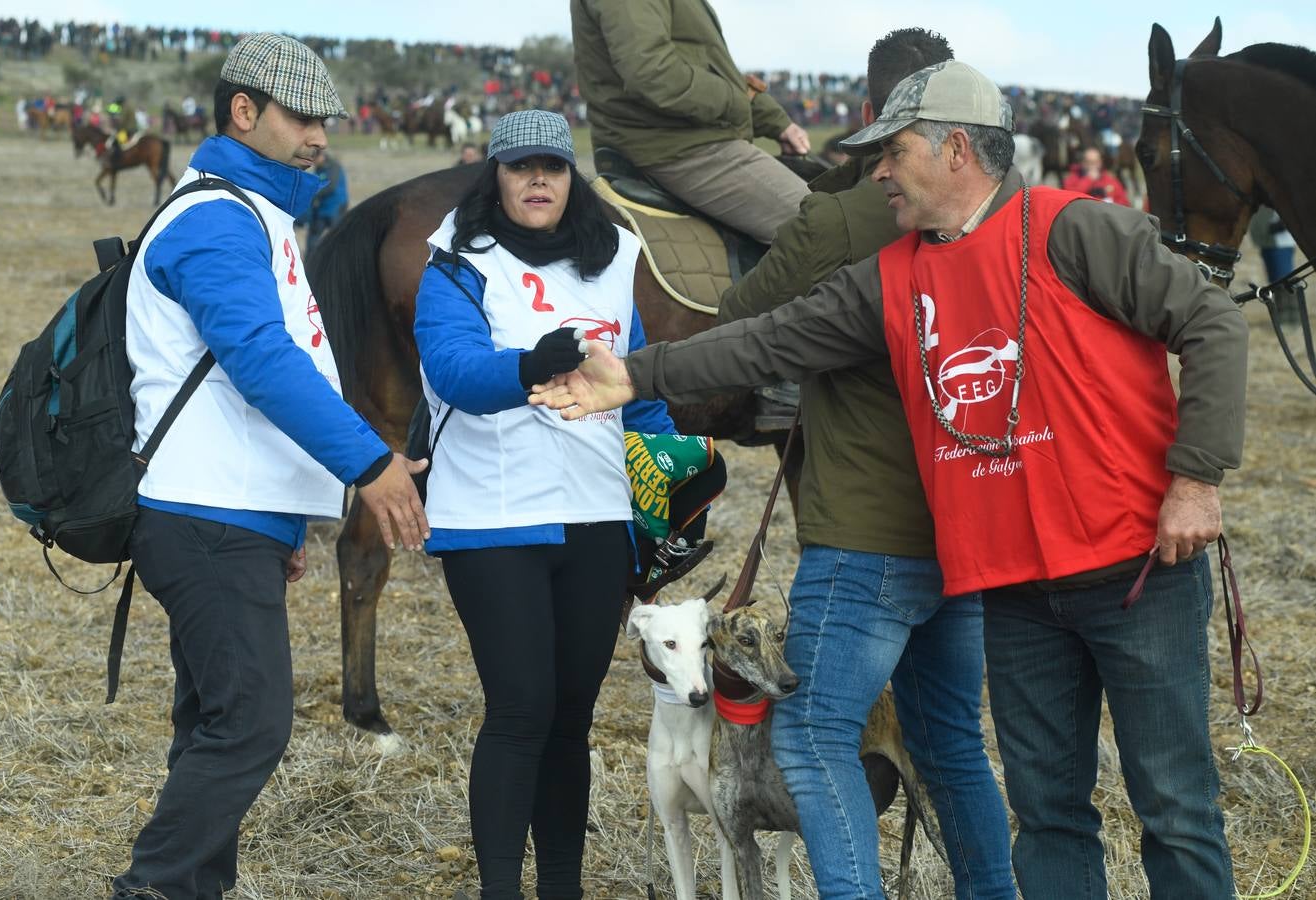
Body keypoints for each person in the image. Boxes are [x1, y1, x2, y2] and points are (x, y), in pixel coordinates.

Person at [530, 60, 1247, 900]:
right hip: (1014, 589)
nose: (874, 172)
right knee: (1048, 809)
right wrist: (636, 376)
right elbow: (767, 340)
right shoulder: (893, 276)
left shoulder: (1073, 230)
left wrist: (1194, 480)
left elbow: (1212, 323)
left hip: (1136, 571)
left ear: (953, 150)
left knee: (1172, 804)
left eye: (890, 152)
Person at [110, 32, 429, 900]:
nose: (319, 136)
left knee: (215, 723)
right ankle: (154, 888)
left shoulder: (254, 212)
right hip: (203, 516)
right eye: (302, 118)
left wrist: (283, 520)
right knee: (248, 728)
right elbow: (258, 358)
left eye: (324, 118)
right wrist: (370, 463)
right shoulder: (216, 216)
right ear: (243, 112)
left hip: (229, 517)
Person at [714, 30, 1013, 899]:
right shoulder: (1009, 212)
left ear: (874, 119)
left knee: (810, 736)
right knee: (950, 740)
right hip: (966, 517)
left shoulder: (843, 217)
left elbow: (740, 318)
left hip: (864, 531)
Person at [416, 108, 705, 900]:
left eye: (552, 165)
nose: (537, 178)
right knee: (520, 709)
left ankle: (562, 889)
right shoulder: (454, 262)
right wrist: (529, 363)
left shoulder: (613, 259)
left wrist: (672, 485)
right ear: (496, 177)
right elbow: (450, 372)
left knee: (571, 718)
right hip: (490, 519)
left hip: (595, 517)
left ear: (570, 176)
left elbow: (633, 389)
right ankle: (502, 889)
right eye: (519, 167)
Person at [570, 0, 811, 244]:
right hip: (675, 147)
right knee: (825, 225)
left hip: (684, 138)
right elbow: (652, 73)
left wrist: (775, 121)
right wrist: (737, 103)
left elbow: (704, 62)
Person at [302, 147, 348, 255]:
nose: (313, 163)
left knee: (338, 240)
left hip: (335, 208)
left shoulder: (334, 167)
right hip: (321, 209)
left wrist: (314, 194)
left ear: (320, 156)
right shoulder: (319, 169)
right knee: (312, 240)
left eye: (314, 160)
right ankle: (309, 264)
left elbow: (330, 186)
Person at [1062, 145, 1130, 206]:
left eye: (1095, 162)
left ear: (1100, 162)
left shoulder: (1109, 179)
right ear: (1082, 162)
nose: (1092, 166)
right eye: (1088, 162)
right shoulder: (1073, 178)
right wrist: (1088, 180)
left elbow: (1124, 202)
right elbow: (1071, 199)